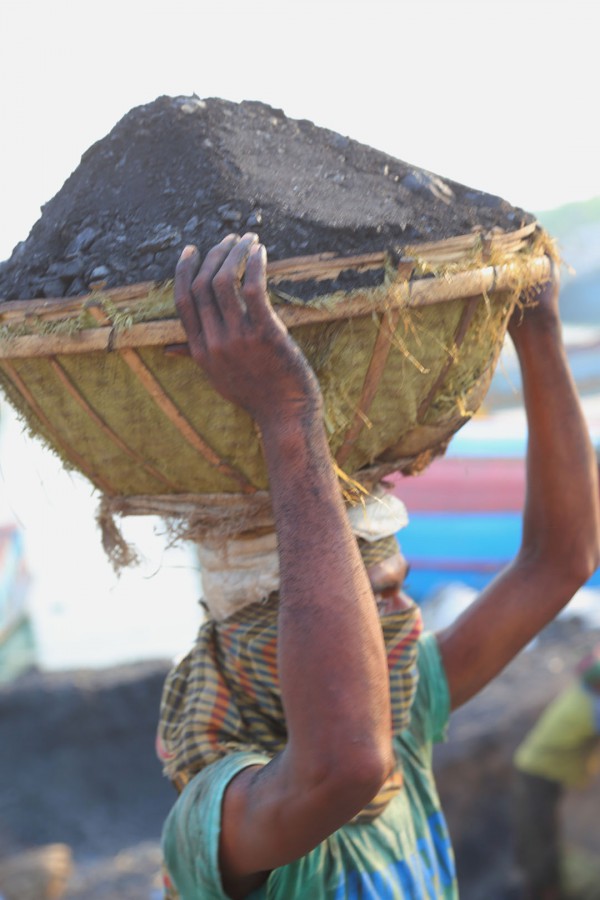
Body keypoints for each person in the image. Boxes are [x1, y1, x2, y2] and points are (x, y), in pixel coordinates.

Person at [157, 232, 600, 899]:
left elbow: (560, 562)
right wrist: (287, 415)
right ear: (274, 637)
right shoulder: (216, 822)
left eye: (395, 589)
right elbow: (342, 763)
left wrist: (536, 327)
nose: (405, 612)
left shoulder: (400, 710)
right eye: (375, 599)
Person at [513, 646, 600, 900]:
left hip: (539, 771)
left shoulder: (582, 693)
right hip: (538, 774)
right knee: (539, 849)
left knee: (540, 841)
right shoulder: (591, 708)